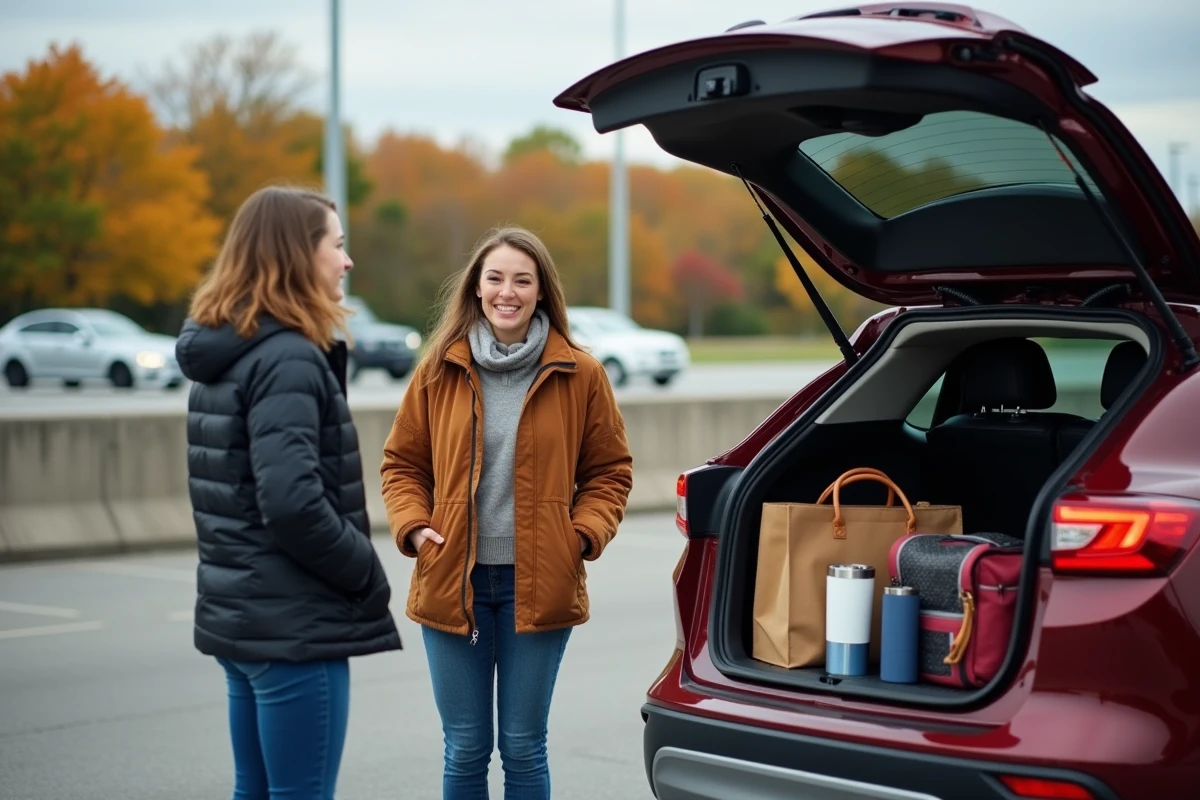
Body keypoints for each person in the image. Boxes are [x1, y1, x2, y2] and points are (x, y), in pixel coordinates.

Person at [380, 226, 633, 799]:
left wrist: (581, 536)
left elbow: (610, 472)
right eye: (495, 278)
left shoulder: (581, 374)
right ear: (476, 288)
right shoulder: (438, 369)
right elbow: (401, 464)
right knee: (465, 747)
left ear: (542, 291)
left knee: (523, 745)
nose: (507, 291)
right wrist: (416, 529)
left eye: (523, 279)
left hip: (539, 582)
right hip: (452, 578)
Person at [176, 185, 402, 800]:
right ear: (296, 254)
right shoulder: (287, 359)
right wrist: (364, 573)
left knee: (255, 790)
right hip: (295, 624)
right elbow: (293, 503)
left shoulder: (228, 350)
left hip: (246, 619)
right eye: (337, 244)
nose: (347, 261)